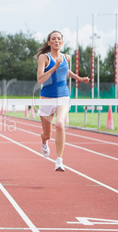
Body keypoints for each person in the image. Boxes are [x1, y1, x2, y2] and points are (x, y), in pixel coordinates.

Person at [36, 30, 89, 171]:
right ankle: (43, 141)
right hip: (47, 98)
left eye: (59, 38)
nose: (56, 41)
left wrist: (79, 78)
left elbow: (66, 71)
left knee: (60, 123)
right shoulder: (44, 57)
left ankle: (59, 160)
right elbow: (40, 79)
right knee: (47, 134)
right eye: (53, 39)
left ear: (62, 42)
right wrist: (54, 67)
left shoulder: (67, 57)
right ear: (49, 42)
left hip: (63, 96)